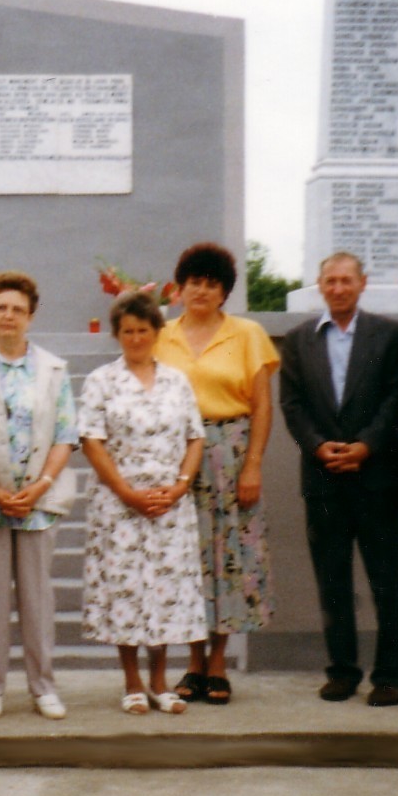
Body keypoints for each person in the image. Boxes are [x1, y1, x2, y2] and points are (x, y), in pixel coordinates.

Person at [279, 252, 398, 707]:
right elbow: (292, 404)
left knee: (385, 580)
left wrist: (366, 446)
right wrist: (318, 446)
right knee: (332, 582)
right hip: (323, 479)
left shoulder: (389, 335)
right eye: (330, 281)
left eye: (346, 281)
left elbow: (396, 397)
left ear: (362, 284)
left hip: (376, 479)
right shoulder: (298, 340)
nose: (338, 288)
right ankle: (342, 671)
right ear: (319, 285)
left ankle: (391, 675)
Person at [154, 241, 279, 706]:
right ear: (179, 288)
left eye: (211, 284)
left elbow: (262, 406)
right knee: (186, 556)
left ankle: (219, 661)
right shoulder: (161, 335)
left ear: (224, 291)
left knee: (229, 557)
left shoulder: (247, 334)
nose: (202, 291)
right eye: (194, 282)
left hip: (231, 453)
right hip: (176, 456)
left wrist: (253, 464)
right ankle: (192, 660)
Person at [78, 291, 208, 715]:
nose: (135, 338)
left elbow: (195, 437)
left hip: (170, 504)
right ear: (117, 334)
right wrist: (126, 492)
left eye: (143, 330)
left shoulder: (176, 380)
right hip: (120, 505)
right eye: (128, 331)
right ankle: (132, 681)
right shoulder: (101, 381)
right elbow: (92, 442)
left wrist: (180, 486)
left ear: (157, 332)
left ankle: (160, 682)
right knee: (126, 591)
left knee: (165, 590)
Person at [0, 271, 78, 721]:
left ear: (31, 316)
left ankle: (42, 686)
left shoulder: (53, 370)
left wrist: (41, 485)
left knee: (36, 597)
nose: (9, 316)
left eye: (18, 309)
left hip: (37, 500)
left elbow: (65, 435)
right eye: (0, 308)